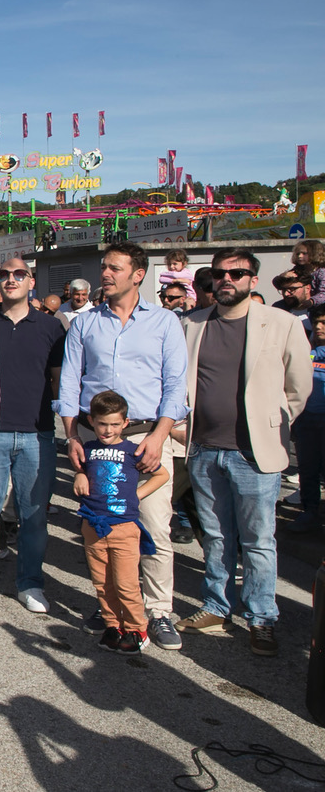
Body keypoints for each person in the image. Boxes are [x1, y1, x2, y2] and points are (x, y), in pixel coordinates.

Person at [175, 248, 311, 657]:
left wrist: (272, 424)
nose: (227, 279)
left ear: (254, 279)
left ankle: (262, 617)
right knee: (216, 536)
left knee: (258, 541)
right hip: (204, 449)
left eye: (237, 273)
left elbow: (298, 388)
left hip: (254, 454)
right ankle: (217, 607)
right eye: (220, 273)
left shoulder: (282, 323)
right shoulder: (192, 324)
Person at [58, 241, 189, 650]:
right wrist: (72, 436)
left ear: (138, 274)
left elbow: (176, 385)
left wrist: (159, 435)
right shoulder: (85, 323)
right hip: (95, 439)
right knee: (102, 526)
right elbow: (69, 383)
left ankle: (159, 611)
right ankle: (113, 608)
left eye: (115, 267)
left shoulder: (165, 322)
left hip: (146, 437)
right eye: (104, 267)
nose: (105, 274)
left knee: (152, 525)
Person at [0, 259, 65, 615]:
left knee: (34, 516)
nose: (11, 280)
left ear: (31, 281)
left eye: (19, 274)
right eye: (5, 275)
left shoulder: (51, 327)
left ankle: (30, 583)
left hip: (37, 434)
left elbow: (59, 381)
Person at [74, 390, 170, 655]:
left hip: (124, 527)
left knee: (126, 583)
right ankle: (113, 625)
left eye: (115, 424)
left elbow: (161, 475)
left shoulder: (133, 451)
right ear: (91, 421)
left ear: (125, 423)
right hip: (93, 525)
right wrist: (79, 474)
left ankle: (137, 629)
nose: (108, 430)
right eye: (102, 424)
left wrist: (136, 495)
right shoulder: (87, 450)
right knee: (102, 583)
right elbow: (81, 469)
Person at [290, 303, 325, 534]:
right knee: (308, 469)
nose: (319, 327)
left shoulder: (312, 353)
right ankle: (310, 512)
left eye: (324, 322)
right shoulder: (307, 348)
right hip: (306, 421)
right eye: (316, 322)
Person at [290, 239, 325, 305]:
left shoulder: (322, 272)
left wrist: (312, 301)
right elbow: (280, 283)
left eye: (304, 253)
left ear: (315, 254)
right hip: (299, 302)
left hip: (318, 306)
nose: (300, 256)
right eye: (298, 254)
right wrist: (284, 276)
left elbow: (323, 293)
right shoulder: (298, 269)